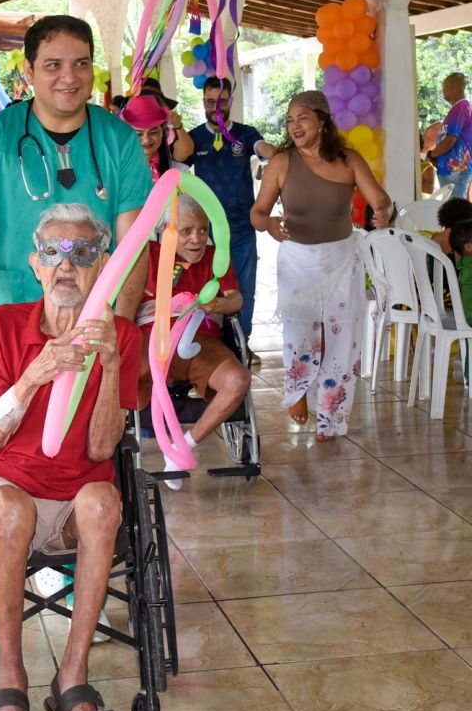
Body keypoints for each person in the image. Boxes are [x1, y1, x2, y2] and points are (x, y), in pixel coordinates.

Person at [0, 202, 140, 711]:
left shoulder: (122, 337)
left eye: (83, 253)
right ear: (36, 265)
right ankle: (10, 677)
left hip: (72, 501)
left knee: (103, 503)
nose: (67, 265)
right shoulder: (3, 325)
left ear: (103, 263)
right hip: (3, 490)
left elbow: (100, 447)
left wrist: (109, 365)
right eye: (53, 253)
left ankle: (71, 677)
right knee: (14, 509)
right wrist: (36, 374)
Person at [0, 14, 153, 370]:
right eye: (53, 65)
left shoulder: (121, 141)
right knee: (8, 422)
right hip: (14, 320)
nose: (69, 77)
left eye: (81, 64)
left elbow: (133, 247)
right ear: (29, 71)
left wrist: (119, 328)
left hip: (93, 323)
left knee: (93, 426)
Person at [250, 90, 391, 440]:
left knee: (343, 336)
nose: (294, 125)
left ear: (322, 121)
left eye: (302, 118)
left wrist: (382, 210)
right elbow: (258, 213)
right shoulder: (281, 162)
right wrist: (269, 225)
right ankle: (297, 392)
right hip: (297, 260)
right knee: (299, 331)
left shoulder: (349, 160)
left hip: (343, 258)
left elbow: (379, 198)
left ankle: (332, 414)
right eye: (289, 120)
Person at [136, 194, 251, 488]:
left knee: (238, 381)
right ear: (165, 232)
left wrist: (215, 306)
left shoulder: (215, 259)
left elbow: (235, 298)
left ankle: (184, 446)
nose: (197, 238)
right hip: (150, 340)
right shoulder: (147, 254)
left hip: (200, 341)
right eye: (186, 231)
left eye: (203, 229)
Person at [174, 76, 276, 351]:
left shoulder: (245, 133)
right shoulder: (194, 138)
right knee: (209, 289)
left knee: (244, 290)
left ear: (230, 101)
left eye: (221, 101)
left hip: (242, 228)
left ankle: (242, 345)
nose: (215, 108)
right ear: (203, 102)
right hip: (206, 232)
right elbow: (177, 167)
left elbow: (262, 149)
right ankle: (211, 343)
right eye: (209, 102)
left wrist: (277, 156)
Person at [426, 73, 472, 201]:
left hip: (457, 170)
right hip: (450, 170)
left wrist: (432, 154)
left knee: (456, 212)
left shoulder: (461, 108)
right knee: (452, 211)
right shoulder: (456, 109)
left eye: (444, 87)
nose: (443, 91)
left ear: (452, 86)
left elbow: (450, 141)